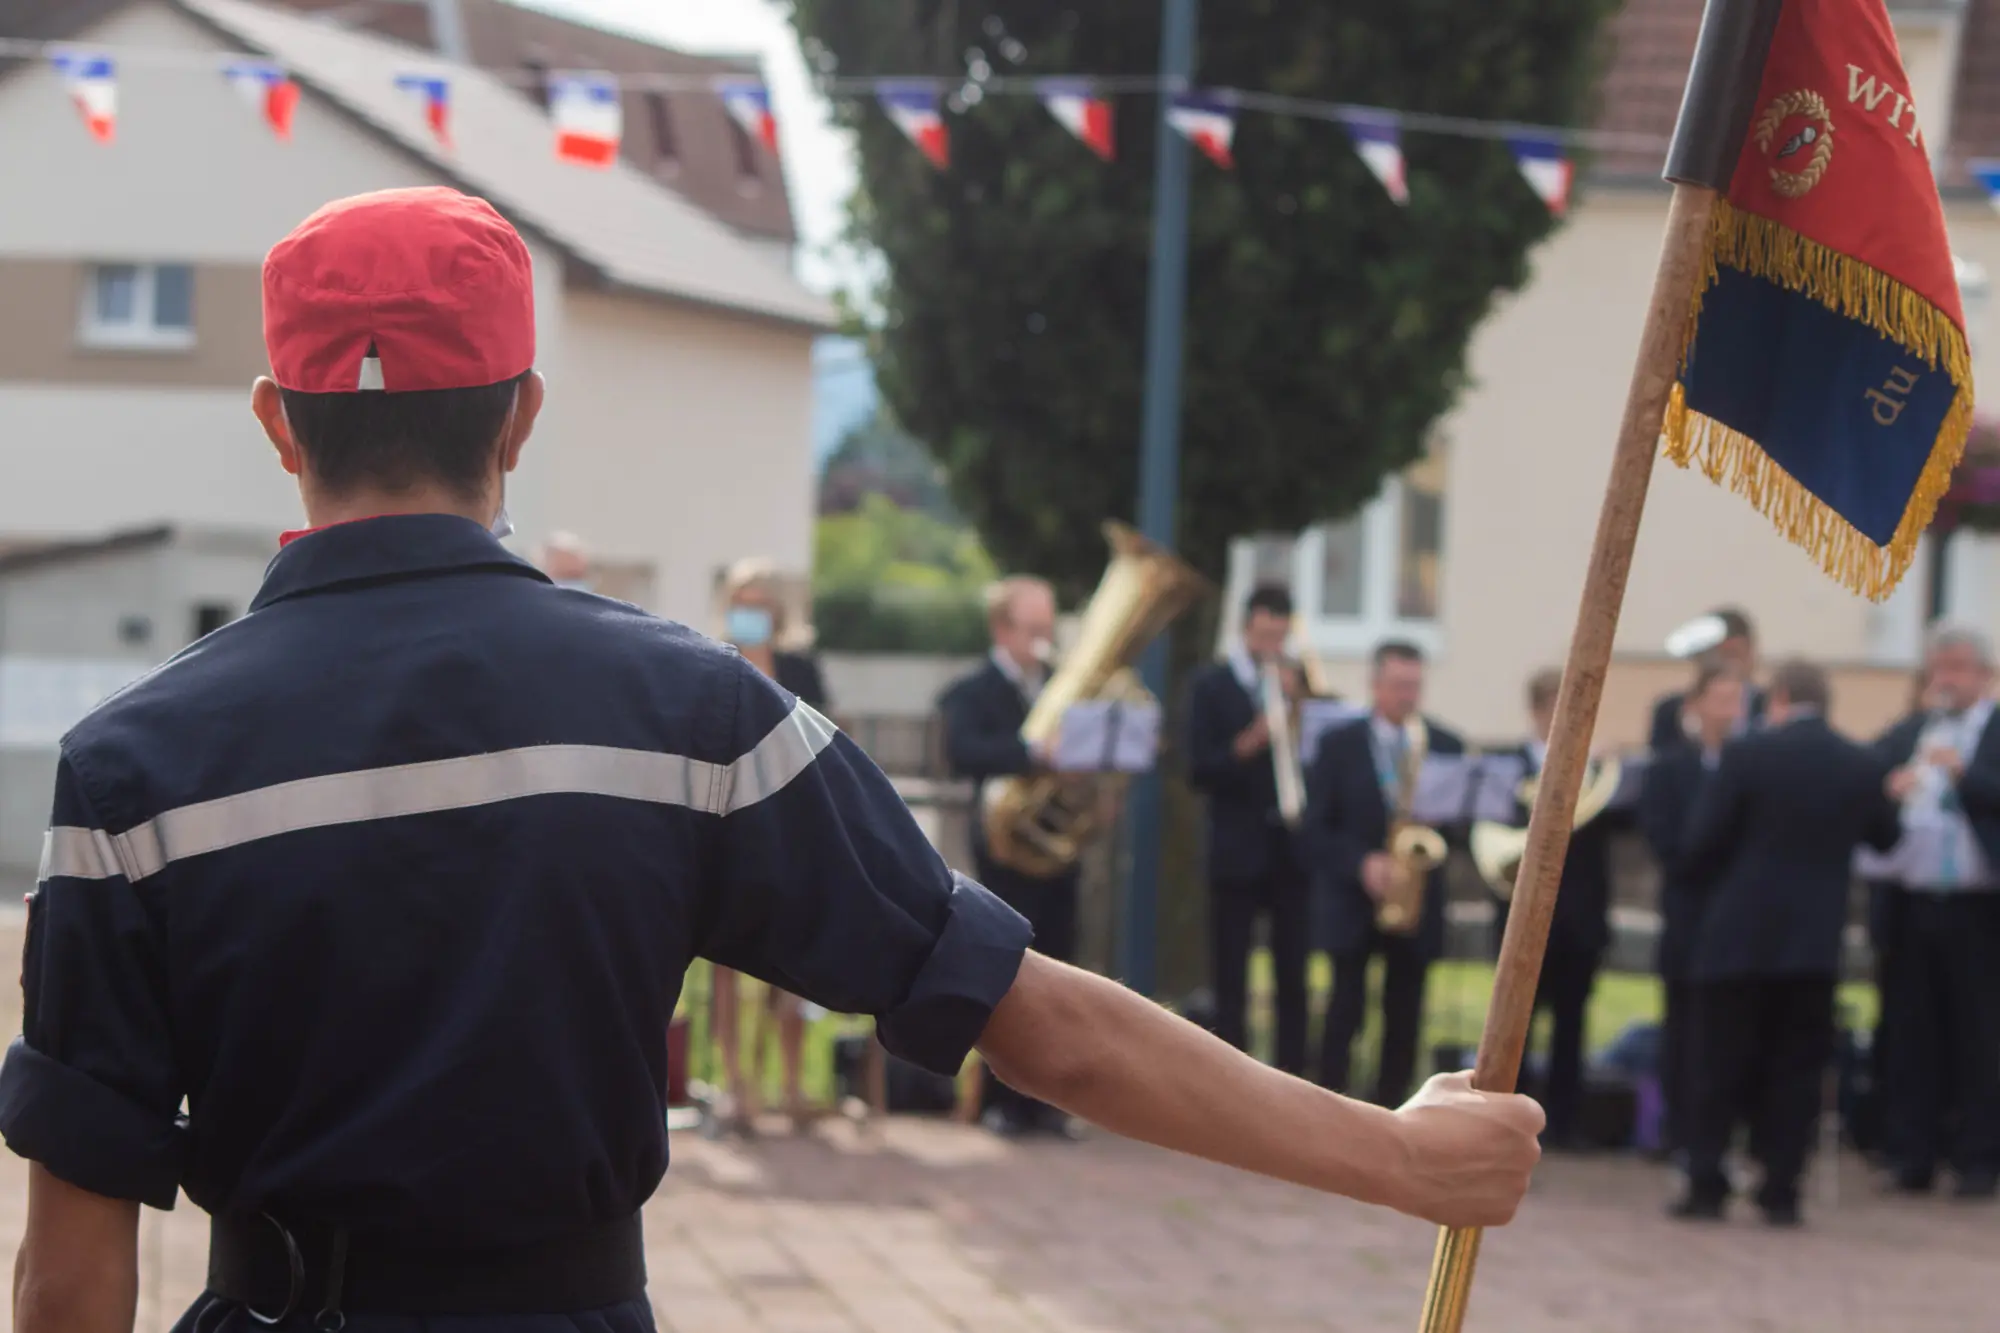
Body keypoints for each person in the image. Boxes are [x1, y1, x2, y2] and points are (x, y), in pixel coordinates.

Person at [0, 188, 1543, 1333]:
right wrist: (1397, 1159)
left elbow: (71, 1266)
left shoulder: (131, 765)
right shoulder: (693, 710)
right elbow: (1045, 1028)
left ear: (278, 422)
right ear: (521, 417)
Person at [1671, 660, 1900, 1226]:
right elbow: (1886, 837)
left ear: (1778, 699)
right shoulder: (1860, 762)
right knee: (1797, 1069)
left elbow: (1700, 843)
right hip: (1813, 942)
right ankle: (1781, 1190)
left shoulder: (1748, 754)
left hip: (1738, 936)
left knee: (1719, 1064)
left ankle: (1706, 1183)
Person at [937, 576, 1079, 1138]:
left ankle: (1051, 1101)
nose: (1044, 640)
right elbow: (963, 751)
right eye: (1033, 628)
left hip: (1057, 848)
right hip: (1004, 852)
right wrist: (1031, 752)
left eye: (1049, 627)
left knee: (1063, 968)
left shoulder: (1063, 688)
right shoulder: (972, 690)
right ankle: (1002, 1101)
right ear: (1002, 629)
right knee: (1010, 974)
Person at [1304, 640, 1465, 1107]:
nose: (1407, 696)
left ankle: (1394, 1108)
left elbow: (1461, 831)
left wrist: (1444, 820)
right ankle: (1330, 1104)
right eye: (1398, 685)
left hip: (1416, 900)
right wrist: (1361, 863)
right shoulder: (1339, 745)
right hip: (1354, 900)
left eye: (1414, 685)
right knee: (1345, 1008)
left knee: (1405, 1013)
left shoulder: (1444, 745)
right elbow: (1314, 829)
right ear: (1375, 686)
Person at [1872, 623, 2000, 1200]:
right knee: (1912, 1032)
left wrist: (1963, 774)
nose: (1946, 680)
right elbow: (1868, 779)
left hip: (1980, 908)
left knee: (1980, 1035)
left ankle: (1978, 1158)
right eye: (1938, 669)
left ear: (1985, 676)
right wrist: (1888, 788)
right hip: (1914, 903)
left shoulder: (1992, 732)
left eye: (1957, 669)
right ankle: (1911, 1154)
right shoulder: (1910, 731)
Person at [704, 557, 831, 1133]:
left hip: (789, 824)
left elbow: (823, 737)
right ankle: (737, 1085)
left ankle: (790, 1084)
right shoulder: (711, 659)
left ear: (778, 612)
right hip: (726, 822)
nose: (750, 613)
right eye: (742, 603)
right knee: (726, 964)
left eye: (760, 604)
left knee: (789, 960)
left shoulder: (801, 668)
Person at [1489, 668, 1634, 1148]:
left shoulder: (1597, 771)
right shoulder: (1507, 768)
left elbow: (1626, 822)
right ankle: (1505, 1122)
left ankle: (1564, 1125)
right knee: (1516, 1028)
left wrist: (1610, 772)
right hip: (1522, 915)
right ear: (1537, 711)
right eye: (1560, 707)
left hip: (1579, 917)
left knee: (1572, 1025)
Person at [1187, 584, 1310, 1074]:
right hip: (1236, 850)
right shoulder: (1211, 685)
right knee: (1231, 972)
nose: (1272, 647)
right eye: (1264, 635)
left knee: (1293, 972)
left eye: (1280, 636)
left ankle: (1294, 1077)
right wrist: (1250, 741)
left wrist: (1298, 712)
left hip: (1289, 849)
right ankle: (1231, 1077)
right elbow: (1198, 769)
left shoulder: (1295, 681)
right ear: (1245, 628)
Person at [1638, 661, 1745, 1161]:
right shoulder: (1669, 768)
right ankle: (1677, 1129)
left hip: (1739, 919)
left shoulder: (1752, 765)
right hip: (1688, 915)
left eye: (1736, 701)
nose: (1729, 711)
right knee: (1682, 1027)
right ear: (1696, 706)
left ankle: (1726, 1130)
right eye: (1719, 700)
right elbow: (1666, 842)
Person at [1648, 607, 1765, 751]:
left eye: (1735, 654)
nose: (1728, 664)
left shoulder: (1767, 708)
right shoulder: (1670, 712)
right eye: (1722, 654)